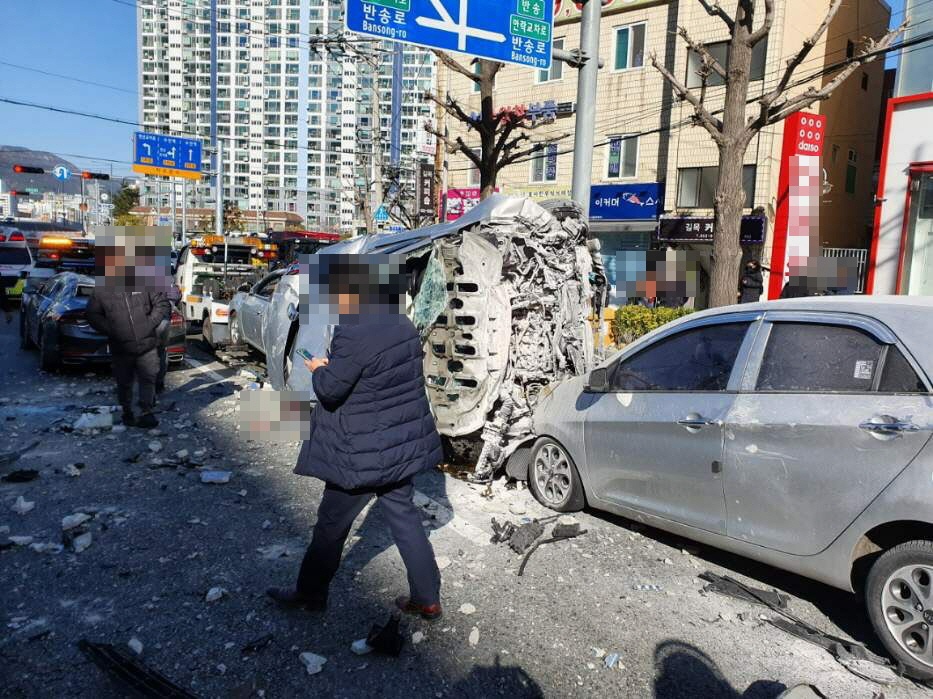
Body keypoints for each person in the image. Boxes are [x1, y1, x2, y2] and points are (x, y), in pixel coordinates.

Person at [267, 257, 445, 620]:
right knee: (406, 520)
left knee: (330, 527)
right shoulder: (401, 322)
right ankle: (427, 598)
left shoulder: (354, 330)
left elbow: (332, 391)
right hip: (399, 446)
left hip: (360, 451)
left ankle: (309, 594)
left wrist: (319, 369)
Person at [86, 245, 171, 428]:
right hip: (121, 346)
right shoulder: (102, 289)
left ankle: (146, 412)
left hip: (146, 343)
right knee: (124, 382)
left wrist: (149, 324)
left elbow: (162, 304)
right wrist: (112, 329)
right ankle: (127, 412)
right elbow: (92, 315)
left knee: (148, 378)